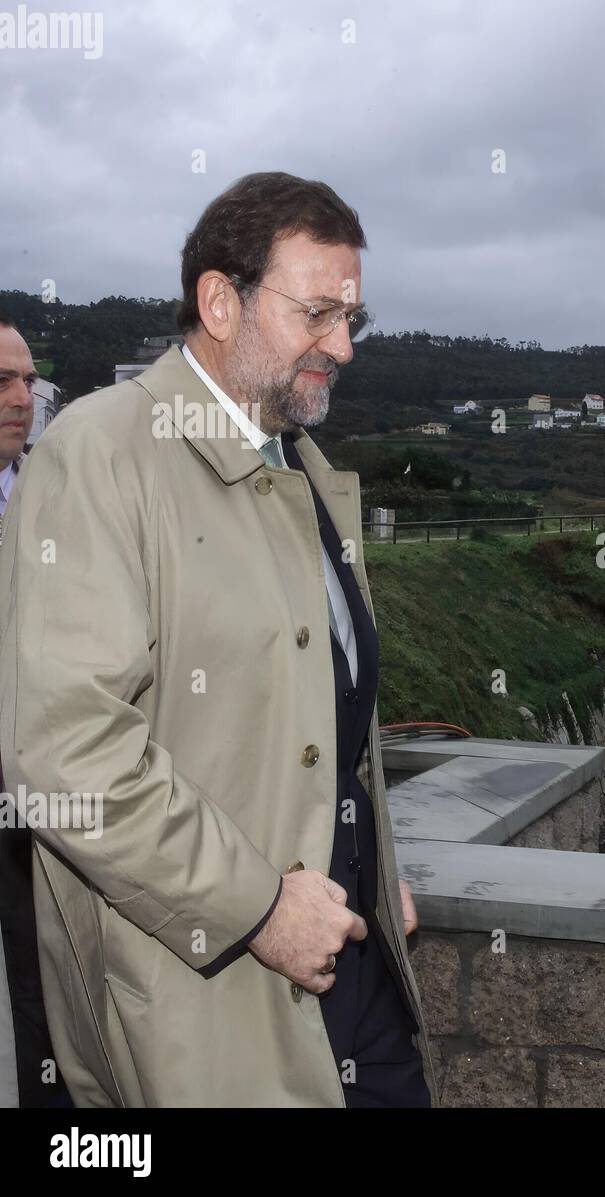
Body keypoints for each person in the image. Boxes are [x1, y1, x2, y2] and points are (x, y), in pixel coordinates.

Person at [0, 173, 437, 1107]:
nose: (343, 347)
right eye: (318, 312)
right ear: (219, 301)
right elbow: (65, 757)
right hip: (202, 1004)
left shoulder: (307, 472)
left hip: (351, 974)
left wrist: (369, 870)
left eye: (353, 317)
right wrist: (260, 905)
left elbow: (330, 727)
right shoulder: (100, 456)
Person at [0, 316, 71, 1108]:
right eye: (2, 382)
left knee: (46, 992)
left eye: (29, 381)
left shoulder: (59, 494)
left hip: (40, 795)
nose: (22, 398)